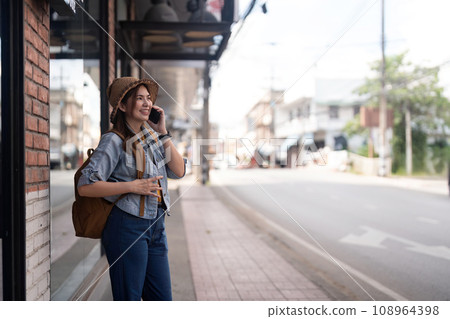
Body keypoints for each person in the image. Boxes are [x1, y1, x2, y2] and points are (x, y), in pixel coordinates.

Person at [77, 77, 186, 301]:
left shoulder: (153, 139)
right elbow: (85, 186)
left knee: (162, 300)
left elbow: (179, 171)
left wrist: (163, 133)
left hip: (156, 226)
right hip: (127, 227)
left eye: (148, 98)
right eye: (139, 98)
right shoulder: (113, 140)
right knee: (129, 299)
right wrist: (131, 186)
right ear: (123, 106)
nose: (147, 103)